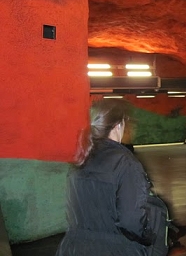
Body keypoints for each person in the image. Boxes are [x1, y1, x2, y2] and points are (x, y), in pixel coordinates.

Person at [56, 99, 161, 256]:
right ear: (118, 125)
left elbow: (70, 210)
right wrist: (149, 237)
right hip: (116, 249)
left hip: (73, 247)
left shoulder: (80, 158)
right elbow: (131, 221)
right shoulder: (125, 163)